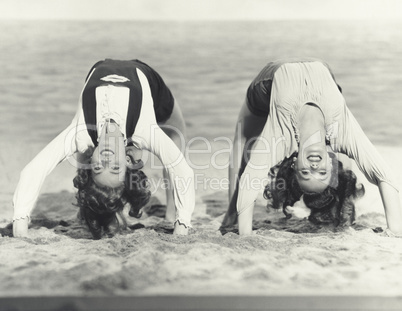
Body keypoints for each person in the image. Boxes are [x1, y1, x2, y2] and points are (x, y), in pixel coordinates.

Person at [13, 59, 195, 239]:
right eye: (115, 167)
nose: (107, 160)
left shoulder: (80, 134)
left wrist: (20, 226)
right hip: (146, 76)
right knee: (176, 133)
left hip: (100, 65)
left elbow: (34, 170)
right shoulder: (144, 131)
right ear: (129, 161)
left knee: (83, 148)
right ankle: (172, 214)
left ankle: (87, 212)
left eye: (98, 167)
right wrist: (182, 224)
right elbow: (183, 171)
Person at [222, 58, 402, 236]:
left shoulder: (281, 140)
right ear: (331, 164)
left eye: (306, 173)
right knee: (347, 168)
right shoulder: (342, 133)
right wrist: (394, 229)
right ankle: (343, 210)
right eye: (322, 173)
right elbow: (386, 178)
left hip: (268, 83)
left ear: (294, 164)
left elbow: (249, 182)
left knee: (244, 138)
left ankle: (230, 216)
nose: (314, 168)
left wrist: (244, 234)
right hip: (325, 78)